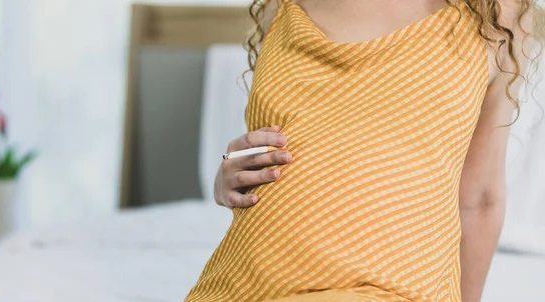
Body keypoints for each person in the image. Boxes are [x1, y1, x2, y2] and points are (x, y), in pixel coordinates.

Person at [185, 0, 544, 301]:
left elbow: (479, 197)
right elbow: (294, 145)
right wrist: (228, 177)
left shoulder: (496, 16)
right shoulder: (281, 8)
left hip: (386, 288)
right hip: (241, 283)